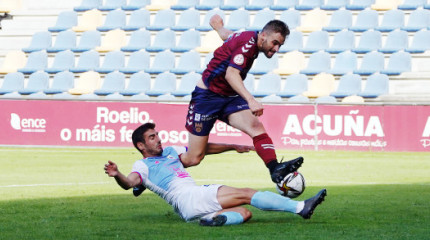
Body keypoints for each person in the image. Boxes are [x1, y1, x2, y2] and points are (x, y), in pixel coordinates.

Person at [104, 123, 327, 226]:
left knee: (244, 213)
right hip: (189, 197)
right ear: (141, 145)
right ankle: (301, 208)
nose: (159, 138)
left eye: (157, 134)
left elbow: (202, 149)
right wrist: (117, 174)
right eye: (152, 137)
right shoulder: (142, 165)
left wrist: (232, 146)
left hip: (189, 207)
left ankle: (209, 220)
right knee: (246, 193)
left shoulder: (171, 151)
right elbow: (130, 183)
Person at [179, 14, 303, 185]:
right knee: (193, 158)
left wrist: (218, 27)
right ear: (264, 35)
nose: (276, 49)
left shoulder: (249, 37)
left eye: (279, 45)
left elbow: (228, 36)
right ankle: (155, 169)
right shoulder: (248, 44)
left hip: (228, 97)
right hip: (206, 98)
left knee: (256, 127)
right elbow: (231, 74)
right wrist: (251, 100)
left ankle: (275, 168)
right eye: (275, 43)